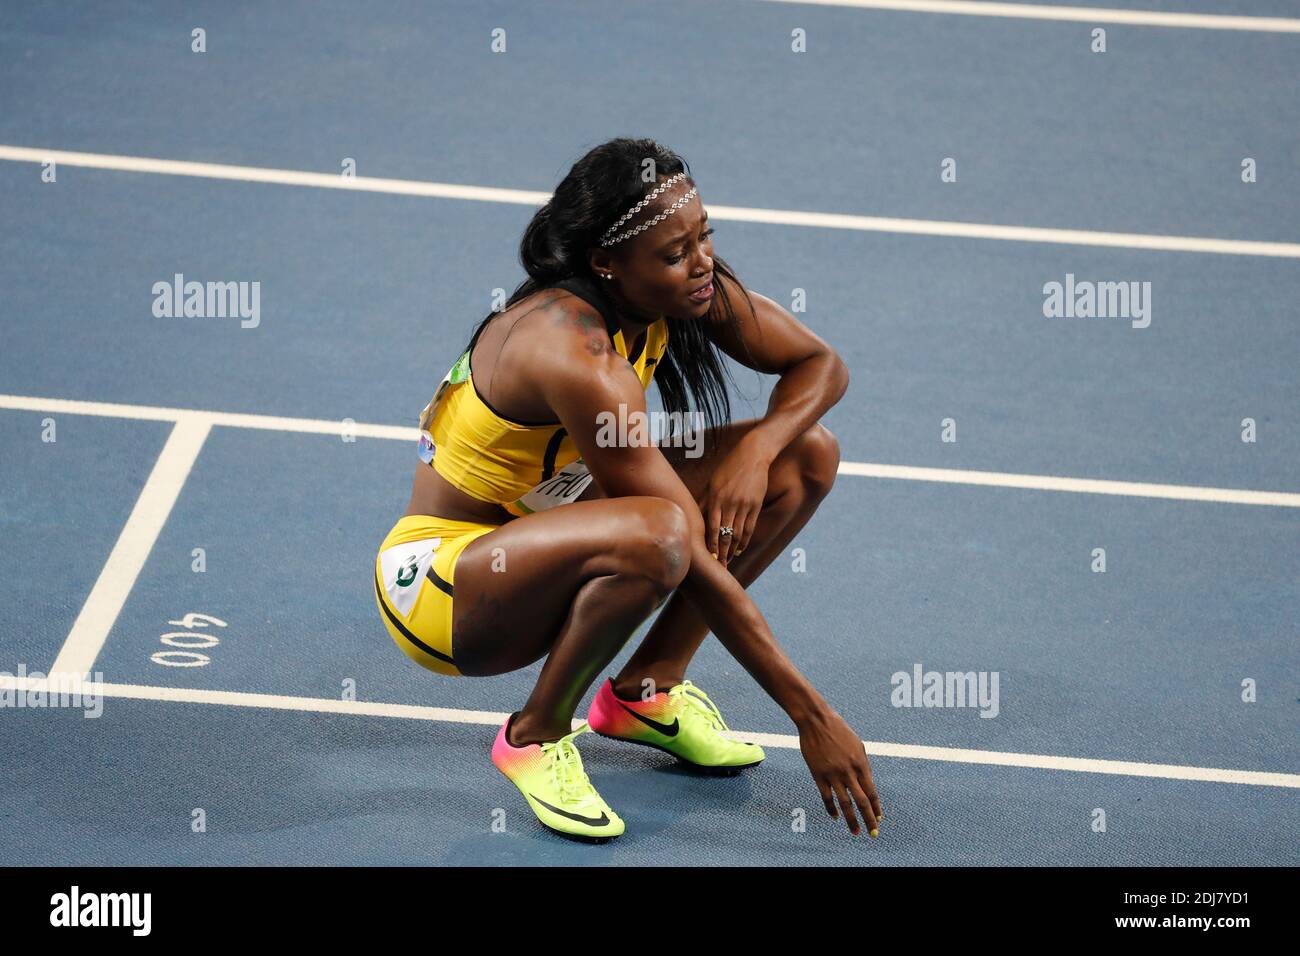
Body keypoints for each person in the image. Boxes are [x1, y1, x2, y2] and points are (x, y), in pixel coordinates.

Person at [374, 138, 882, 843]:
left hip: (543, 519)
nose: (701, 262)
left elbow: (820, 363)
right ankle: (533, 736)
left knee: (805, 456)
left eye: (703, 237)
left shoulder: (680, 286)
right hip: (445, 586)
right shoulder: (576, 356)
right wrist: (810, 715)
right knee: (661, 535)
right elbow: (681, 547)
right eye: (675, 254)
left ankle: (646, 691)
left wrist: (759, 451)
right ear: (606, 263)